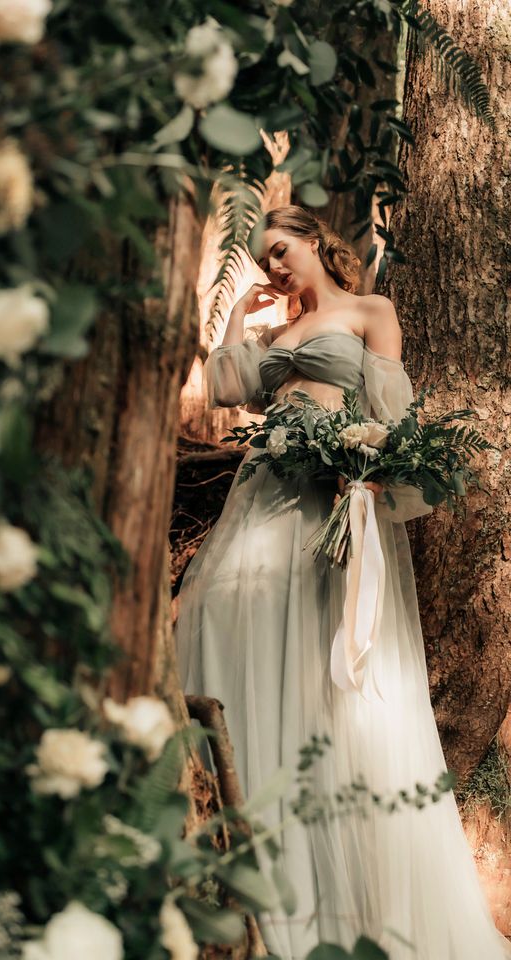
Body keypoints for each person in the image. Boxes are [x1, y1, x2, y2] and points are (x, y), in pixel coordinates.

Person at [174, 206, 511, 960]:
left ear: (318, 242)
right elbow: (229, 388)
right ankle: (241, 837)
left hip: (330, 500)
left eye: (282, 250)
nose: (275, 266)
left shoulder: (369, 310)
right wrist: (236, 312)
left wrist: (366, 460)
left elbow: (393, 411)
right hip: (261, 497)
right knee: (226, 614)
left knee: (329, 677)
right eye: (264, 258)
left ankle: (335, 886)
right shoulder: (274, 332)